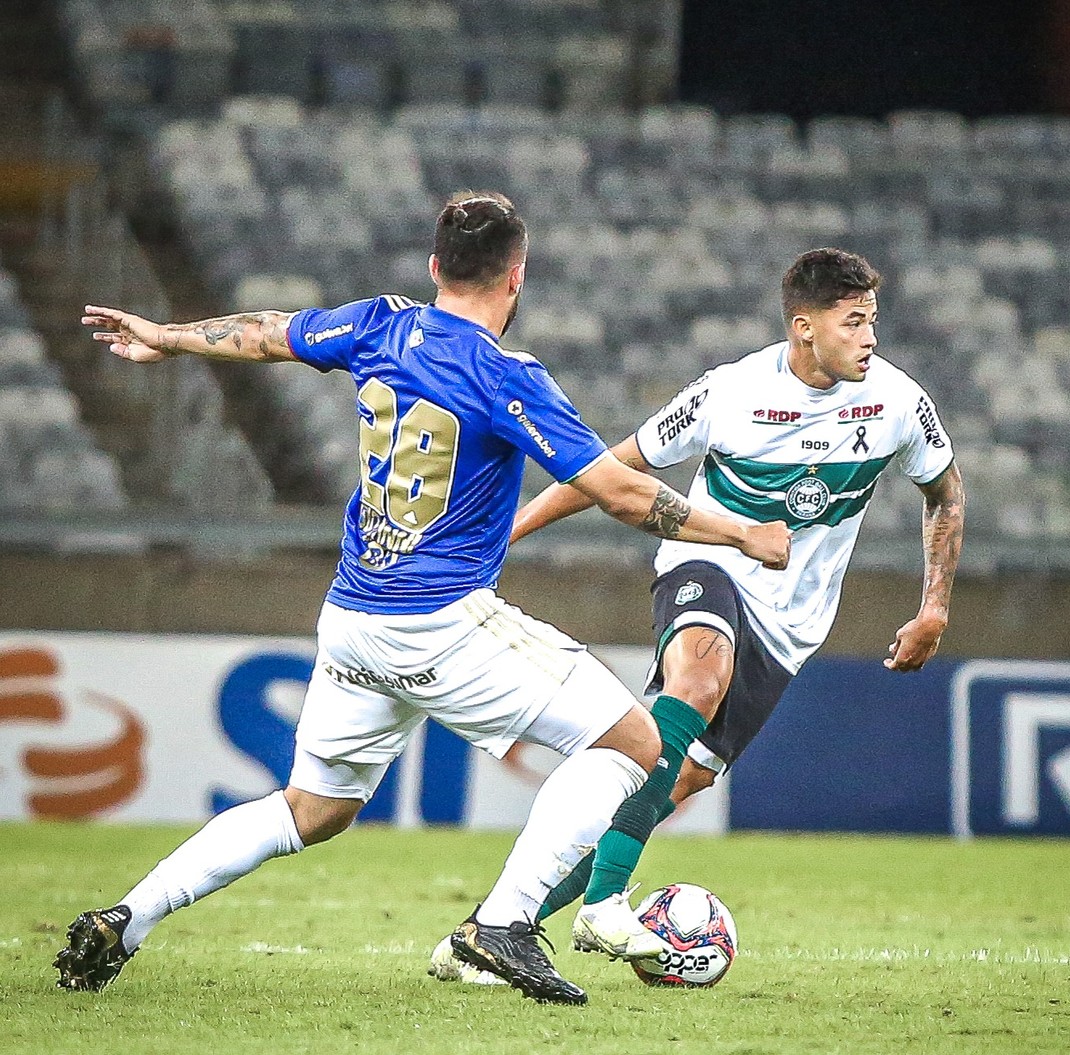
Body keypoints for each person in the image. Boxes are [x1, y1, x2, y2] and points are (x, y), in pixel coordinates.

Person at [55, 191, 792, 1006]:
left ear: (435, 266)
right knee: (632, 741)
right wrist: (739, 534)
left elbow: (267, 331)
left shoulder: (379, 324)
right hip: (439, 620)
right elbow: (616, 491)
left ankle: (130, 915)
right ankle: (505, 922)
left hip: (352, 619)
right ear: (517, 277)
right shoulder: (506, 374)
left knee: (310, 809)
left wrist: (169, 336)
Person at [432, 246, 965, 978]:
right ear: (804, 327)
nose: (870, 335)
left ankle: (491, 931)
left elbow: (946, 491)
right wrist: (506, 534)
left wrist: (934, 604)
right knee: (699, 678)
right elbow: (611, 469)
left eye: (873, 318)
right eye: (853, 321)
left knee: (673, 782)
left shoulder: (898, 401)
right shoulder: (729, 392)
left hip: (791, 624)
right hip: (706, 562)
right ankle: (604, 903)